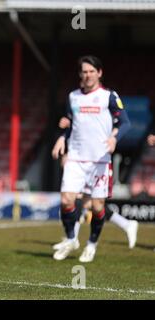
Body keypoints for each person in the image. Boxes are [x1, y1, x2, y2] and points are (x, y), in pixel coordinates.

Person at [51, 55, 130, 262]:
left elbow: (125, 123)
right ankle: (71, 239)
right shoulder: (73, 97)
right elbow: (71, 123)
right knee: (66, 199)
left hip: (100, 160)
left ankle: (92, 245)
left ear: (99, 73)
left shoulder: (109, 96)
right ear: (80, 74)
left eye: (91, 71)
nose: (87, 75)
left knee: (97, 207)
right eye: (84, 72)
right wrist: (62, 138)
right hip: (76, 157)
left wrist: (114, 138)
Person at [52, 118, 138, 251]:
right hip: (80, 160)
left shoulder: (106, 103)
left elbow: (120, 123)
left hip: (96, 161)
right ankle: (126, 224)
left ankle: (73, 239)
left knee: (89, 202)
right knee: (86, 202)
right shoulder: (78, 102)